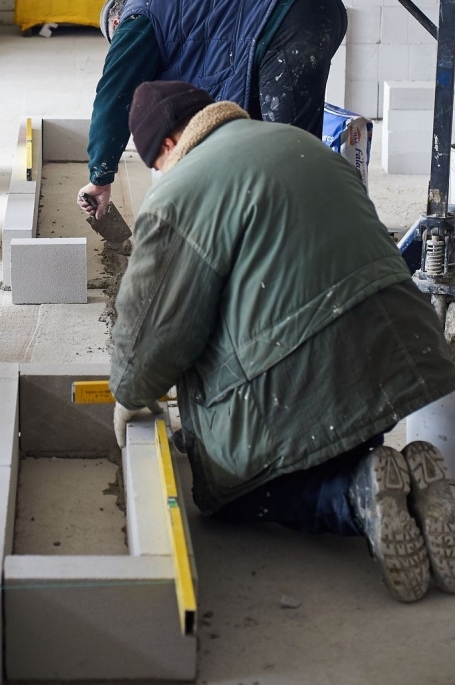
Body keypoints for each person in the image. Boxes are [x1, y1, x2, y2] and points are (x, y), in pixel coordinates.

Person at [111, 79, 455, 604]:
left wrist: (128, 390)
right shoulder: (303, 144)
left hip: (308, 370)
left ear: (164, 147)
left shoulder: (178, 194)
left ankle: (355, 495)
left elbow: (157, 332)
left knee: (228, 492)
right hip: (400, 354)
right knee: (336, 429)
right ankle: (399, 474)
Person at [77, 0, 346, 219]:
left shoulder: (137, 17)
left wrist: (99, 178)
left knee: (289, 154)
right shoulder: (174, 5)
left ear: (115, 25)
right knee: (288, 145)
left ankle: (307, 242)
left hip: (286, 16)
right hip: (317, 2)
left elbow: (114, 96)